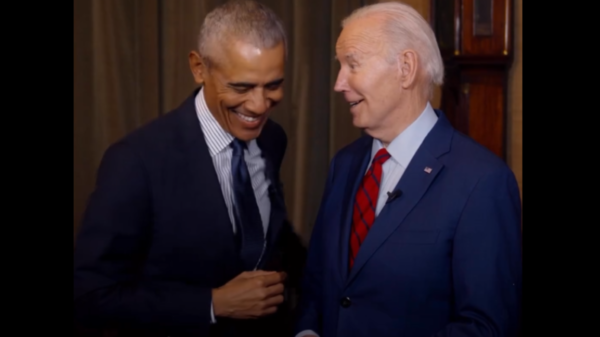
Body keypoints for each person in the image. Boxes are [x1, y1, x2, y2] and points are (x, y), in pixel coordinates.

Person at [73, 1, 306, 336]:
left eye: (273, 85)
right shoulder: (134, 163)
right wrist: (212, 303)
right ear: (199, 68)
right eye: (241, 87)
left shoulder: (272, 139)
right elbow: (91, 296)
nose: (259, 106)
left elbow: (265, 229)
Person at [294, 2, 522, 337]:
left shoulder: (482, 181)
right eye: (340, 67)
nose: (339, 83)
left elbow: (486, 326)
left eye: (352, 64)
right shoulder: (343, 164)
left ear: (405, 68)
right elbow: (317, 286)